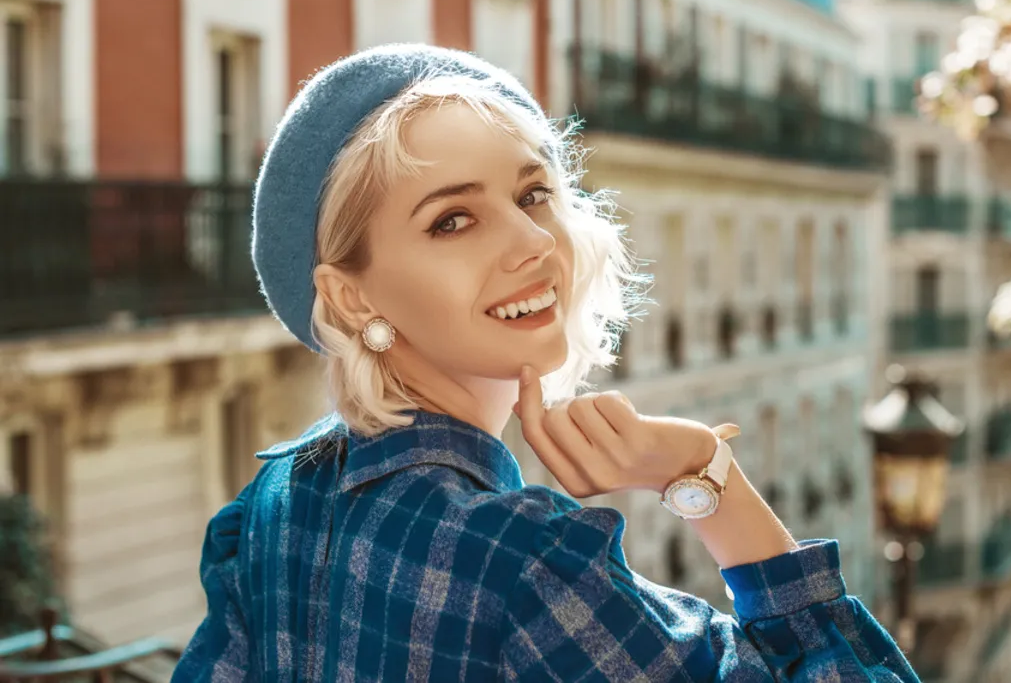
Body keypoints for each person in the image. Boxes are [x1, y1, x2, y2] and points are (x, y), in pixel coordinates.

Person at [173, 44, 920, 682]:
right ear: (348, 299)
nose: (532, 243)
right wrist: (705, 475)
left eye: (533, 194)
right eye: (453, 220)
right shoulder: (524, 564)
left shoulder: (276, 499)